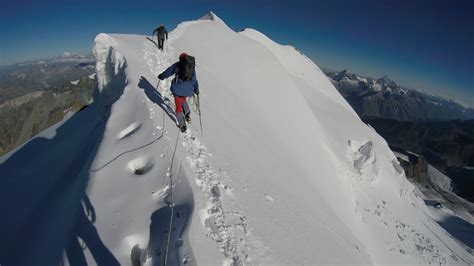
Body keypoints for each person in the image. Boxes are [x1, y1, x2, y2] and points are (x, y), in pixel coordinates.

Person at [158, 53, 199, 132]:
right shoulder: (192, 68)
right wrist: (196, 90)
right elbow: (194, 80)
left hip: (177, 89)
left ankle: (182, 125)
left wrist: (161, 76)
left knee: (178, 107)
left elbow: (169, 72)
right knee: (183, 99)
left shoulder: (178, 65)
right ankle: (187, 113)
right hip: (188, 90)